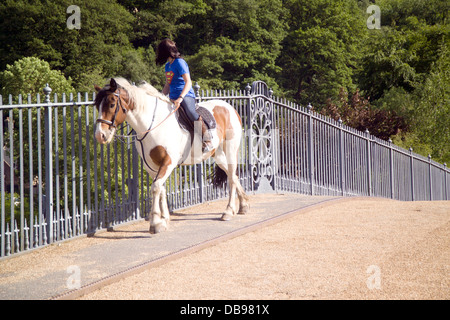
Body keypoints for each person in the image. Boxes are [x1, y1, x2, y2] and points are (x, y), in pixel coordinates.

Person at [156, 38, 213, 152]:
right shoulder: (168, 66)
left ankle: (207, 140)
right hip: (172, 97)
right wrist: (160, 97)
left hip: (185, 96)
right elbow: (167, 85)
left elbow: (188, 82)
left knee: (191, 112)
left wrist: (181, 98)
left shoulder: (180, 63)